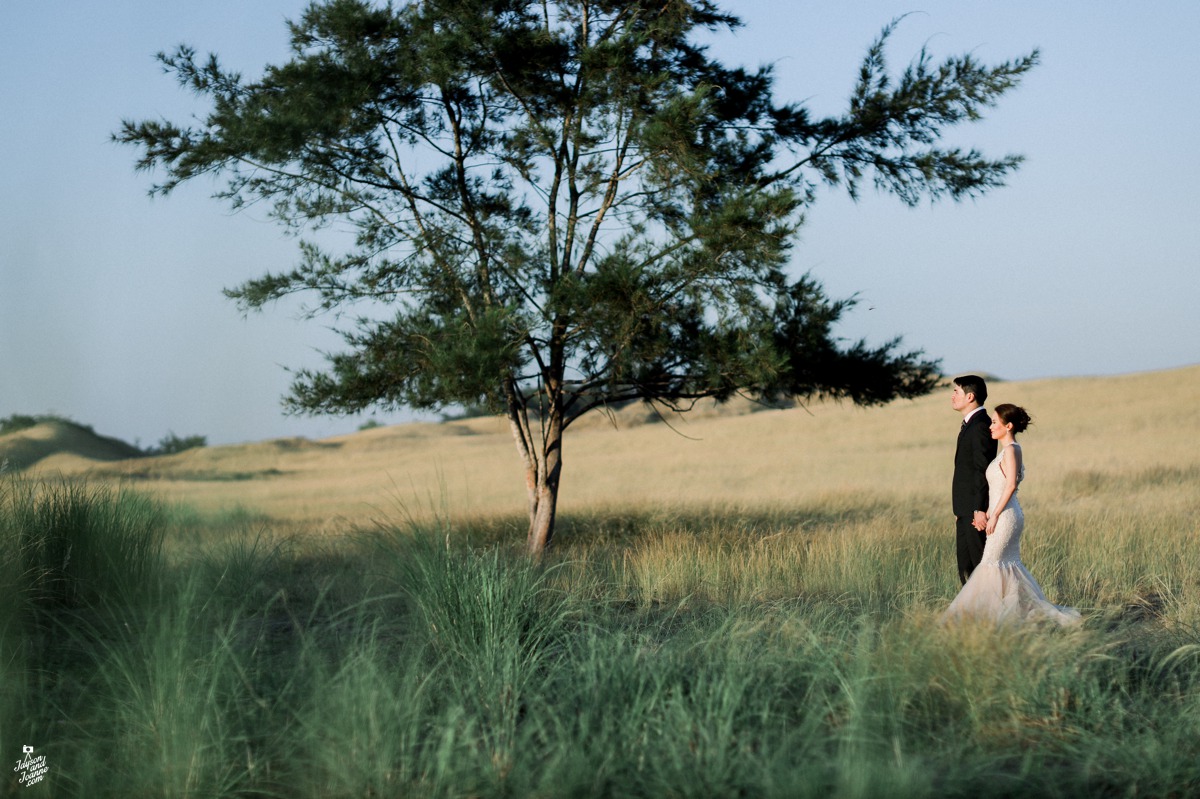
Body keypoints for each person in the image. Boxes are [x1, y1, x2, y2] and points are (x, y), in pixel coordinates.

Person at [942, 404, 1081, 626]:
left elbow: (1010, 486)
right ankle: (1006, 615)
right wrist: (986, 513)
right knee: (1006, 567)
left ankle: (987, 618)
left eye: (995, 422)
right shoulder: (1003, 452)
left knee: (990, 564)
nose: (991, 426)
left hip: (1007, 517)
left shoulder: (1012, 450)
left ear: (1008, 426)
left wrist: (995, 514)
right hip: (999, 513)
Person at [951, 375, 997, 584]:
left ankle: (989, 610)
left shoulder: (980, 426)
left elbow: (982, 469)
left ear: (970, 396)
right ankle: (973, 611)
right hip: (964, 509)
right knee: (965, 566)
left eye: (956, 391)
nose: (952, 396)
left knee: (978, 564)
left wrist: (978, 509)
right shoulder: (971, 424)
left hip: (974, 511)